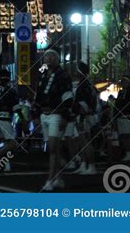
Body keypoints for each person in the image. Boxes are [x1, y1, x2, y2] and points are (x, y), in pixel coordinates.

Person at [34, 49, 73, 191]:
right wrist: (36, 115)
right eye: (46, 56)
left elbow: (68, 96)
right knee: (54, 149)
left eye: (52, 56)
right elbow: (37, 97)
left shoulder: (63, 75)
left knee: (52, 148)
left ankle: (50, 180)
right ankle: (58, 178)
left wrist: (64, 115)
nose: (49, 58)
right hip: (44, 115)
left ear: (57, 59)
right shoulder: (43, 75)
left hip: (56, 114)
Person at [72, 61, 98, 175]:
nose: (74, 72)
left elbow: (83, 104)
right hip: (86, 115)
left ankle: (91, 166)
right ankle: (84, 164)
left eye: (76, 69)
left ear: (80, 71)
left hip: (84, 116)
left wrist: (81, 118)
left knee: (86, 142)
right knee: (83, 142)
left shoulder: (83, 85)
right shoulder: (88, 83)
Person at [114, 75, 130, 162]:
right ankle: (128, 153)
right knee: (123, 136)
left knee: (128, 136)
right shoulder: (120, 92)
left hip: (127, 116)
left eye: (125, 81)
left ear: (128, 82)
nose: (123, 83)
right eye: (122, 81)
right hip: (120, 116)